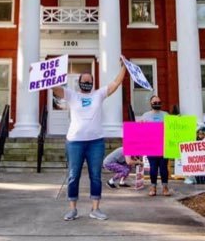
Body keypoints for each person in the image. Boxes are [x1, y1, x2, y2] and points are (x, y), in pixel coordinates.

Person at [52, 58, 126, 221]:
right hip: (74, 142)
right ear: (79, 83)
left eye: (89, 81)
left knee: (95, 175)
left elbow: (115, 84)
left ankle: (95, 209)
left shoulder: (98, 95)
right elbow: (56, 90)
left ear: (93, 83)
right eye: (84, 81)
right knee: (73, 175)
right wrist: (42, 77)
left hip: (96, 142)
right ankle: (73, 209)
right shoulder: (72, 95)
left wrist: (124, 68)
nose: (87, 83)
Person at [141, 95, 171, 197]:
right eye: (155, 102)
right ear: (151, 103)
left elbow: (172, 127)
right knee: (153, 167)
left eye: (159, 102)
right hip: (151, 145)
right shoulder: (145, 115)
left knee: (163, 168)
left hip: (164, 145)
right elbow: (140, 128)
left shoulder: (166, 114)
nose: (157, 103)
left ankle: (165, 187)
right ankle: (153, 187)